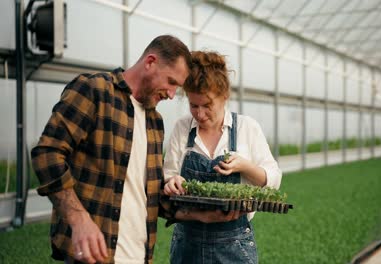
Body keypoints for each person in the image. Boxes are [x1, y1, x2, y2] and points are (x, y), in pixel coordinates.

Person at [31, 35, 192, 264]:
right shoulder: (94, 90)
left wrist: (198, 211)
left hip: (139, 256)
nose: (172, 94)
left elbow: (148, 193)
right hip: (94, 255)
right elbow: (47, 152)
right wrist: (79, 219)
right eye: (171, 82)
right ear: (150, 62)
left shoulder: (154, 121)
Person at [163, 50, 283, 264]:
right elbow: (168, 175)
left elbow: (273, 179)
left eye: (208, 105)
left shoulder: (247, 128)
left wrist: (245, 167)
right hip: (187, 245)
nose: (199, 114)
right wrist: (172, 182)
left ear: (224, 97)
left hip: (234, 245)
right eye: (193, 105)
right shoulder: (182, 128)